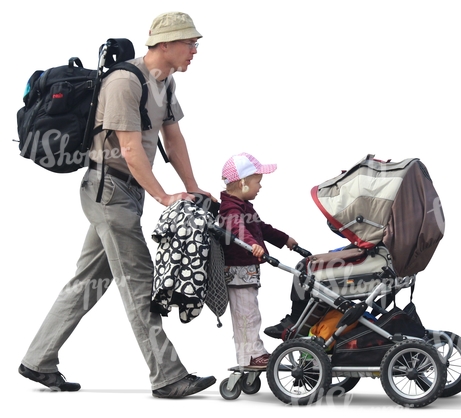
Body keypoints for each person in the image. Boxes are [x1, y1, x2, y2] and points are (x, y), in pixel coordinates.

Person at [18, 11, 217, 398]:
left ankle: (37, 360)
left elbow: (172, 140)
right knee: (140, 283)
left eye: (196, 44)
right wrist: (164, 195)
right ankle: (169, 376)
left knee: (88, 282)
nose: (195, 50)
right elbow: (128, 148)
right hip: (109, 190)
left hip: (127, 191)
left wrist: (192, 187)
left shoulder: (165, 82)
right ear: (165, 44)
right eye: (189, 43)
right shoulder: (125, 82)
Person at [219, 152, 298, 369]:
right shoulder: (230, 208)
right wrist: (251, 243)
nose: (260, 187)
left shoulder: (245, 206)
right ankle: (251, 356)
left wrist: (284, 240)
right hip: (238, 271)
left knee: (250, 312)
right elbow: (236, 227)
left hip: (246, 271)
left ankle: (252, 354)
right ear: (243, 183)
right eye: (257, 182)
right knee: (247, 315)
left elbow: (261, 227)